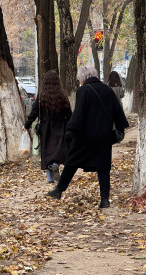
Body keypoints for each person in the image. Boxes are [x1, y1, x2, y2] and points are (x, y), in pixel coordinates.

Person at [47, 65, 129, 208]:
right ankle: (104, 200)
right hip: (104, 136)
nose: (79, 81)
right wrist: (120, 129)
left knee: (71, 162)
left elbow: (79, 113)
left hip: (84, 136)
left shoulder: (83, 90)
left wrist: (70, 131)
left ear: (83, 77)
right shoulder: (107, 90)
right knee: (103, 168)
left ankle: (58, 191)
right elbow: (117, 110)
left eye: (79, 78)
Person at [23, 70, 72, 183]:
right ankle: (55, 165)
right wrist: (71, 126)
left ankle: (50, 178)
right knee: (59, 149)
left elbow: (34, 113)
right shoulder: (62, 95)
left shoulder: (41, 96)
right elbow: (69, 114)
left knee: (47, 151)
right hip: (60, 126)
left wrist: (27, 125)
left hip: (46, 128)